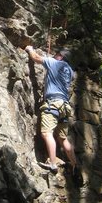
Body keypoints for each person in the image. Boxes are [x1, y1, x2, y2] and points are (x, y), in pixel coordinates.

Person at [25, 45, 76, 173]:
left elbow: (36, 57)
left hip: (53, 103)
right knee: (63, 139)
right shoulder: (70, 71)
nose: (54, 55)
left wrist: (30, 49)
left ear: (61, 57)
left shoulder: (55, 63)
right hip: (64, 106)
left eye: (57, 54)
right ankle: (75, 164)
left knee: (47, 133)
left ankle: (53, 164)